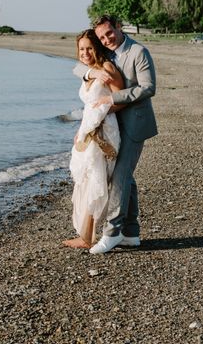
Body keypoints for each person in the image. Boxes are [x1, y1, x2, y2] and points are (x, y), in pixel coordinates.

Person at [73, 15, 158, 254]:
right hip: (113, 126)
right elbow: (80, 64)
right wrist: (91, 75)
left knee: (120, 178)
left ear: (118, 28)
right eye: (102, 36)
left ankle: (112, 233)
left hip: (135, 124)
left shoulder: (138, 52)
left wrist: (112, 98)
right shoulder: (106, 52)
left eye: (109, 33)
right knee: (126, 178)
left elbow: (148, 87)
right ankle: (131, 233)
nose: (106, 39)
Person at [63, 29, 124, 249]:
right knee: (87, 180)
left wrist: (101, 116)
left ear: (97, 47)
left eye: (89, 47)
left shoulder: (107, 68)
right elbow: (88, 101)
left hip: (104, 132)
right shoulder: (90, 70)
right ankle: (86, 234)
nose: (85, 52)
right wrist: (82, 128)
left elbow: (121, 98)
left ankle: (87, 237)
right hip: (89, 130)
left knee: (95, 181)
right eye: (81, 49)